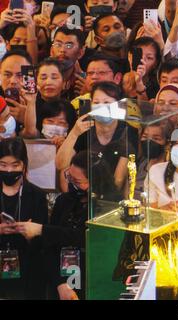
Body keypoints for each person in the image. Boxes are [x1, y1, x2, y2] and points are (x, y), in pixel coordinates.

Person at [16, 151, 90, 300]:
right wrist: (60, 284)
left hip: (90, 278)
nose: (71, 184)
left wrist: (41, 230)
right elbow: (48, 247)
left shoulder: (103, 208)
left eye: (78, 181)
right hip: (61, 281)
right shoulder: (63, 201)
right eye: (69, 177)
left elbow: (82, 237)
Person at [56, 81, 138, 191]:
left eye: (107, 102)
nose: (101, 107)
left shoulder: (128, 131)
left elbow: (118, 181)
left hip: (109, 194)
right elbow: (60, 164)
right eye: (96, 102)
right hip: (80, 187)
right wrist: (74, 133)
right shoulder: (83, 128)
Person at [0, 137, 48, 300]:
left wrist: (31, 234)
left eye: (15, 165)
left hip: (28, 271)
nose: (8, 171)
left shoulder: (37, 196)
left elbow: (44, 242)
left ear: (24, 165)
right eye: (3, 165)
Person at [136, 121, 172, 199]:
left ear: (167, 144)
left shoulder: (169, 171)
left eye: (156, 138)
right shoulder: (139, 163)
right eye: (145, 137)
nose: (149, 142)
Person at [49, 27, 86, 100]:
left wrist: (85, 97)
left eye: (69, 46)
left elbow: (84, 111)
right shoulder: (39, 78)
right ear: (51, 51)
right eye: (58, 44)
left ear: (80, 53)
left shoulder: (85, 83)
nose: (62, 50)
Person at [0, 50, 32, 126]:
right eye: (7, 75)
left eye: (20, 75)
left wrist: (28, 118)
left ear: (31, 75)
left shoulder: (40, 100)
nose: (13, 81)